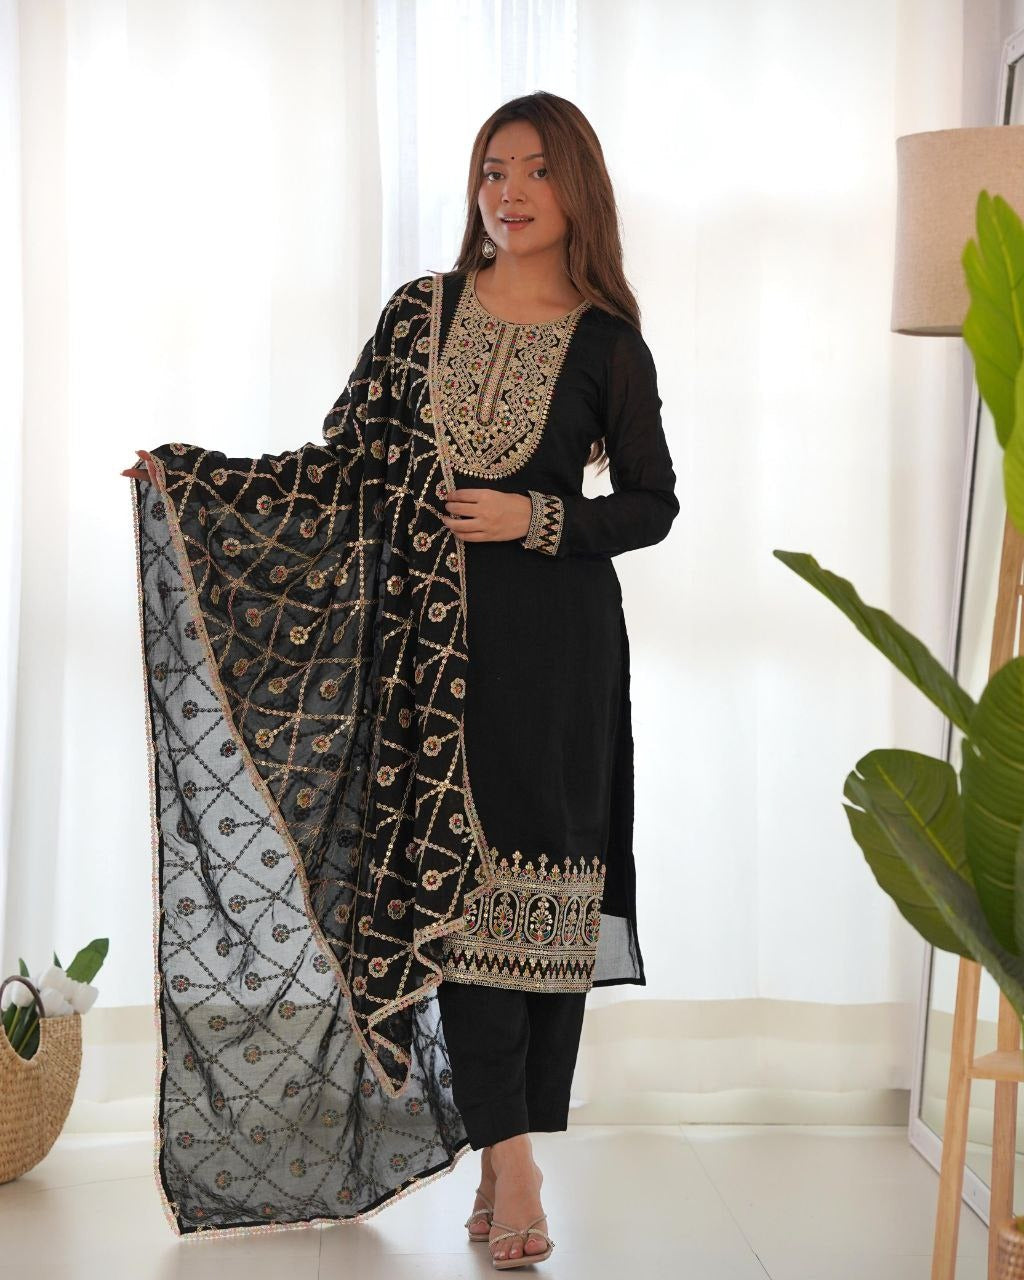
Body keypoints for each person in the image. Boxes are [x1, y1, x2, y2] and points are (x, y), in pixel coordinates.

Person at [123, 90, 677, 1268]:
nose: (509, 192)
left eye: (534, 170)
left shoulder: (607, 343)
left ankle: (509, 1150)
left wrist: (536, 518)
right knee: (457, 914)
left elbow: (651, 504)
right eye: (492, 170)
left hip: (559, 662)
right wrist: (198, 483)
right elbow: (341, 470)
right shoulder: (419, 316)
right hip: (428, 670)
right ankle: (511, 1163)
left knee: (537, 919)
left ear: (577, 187)